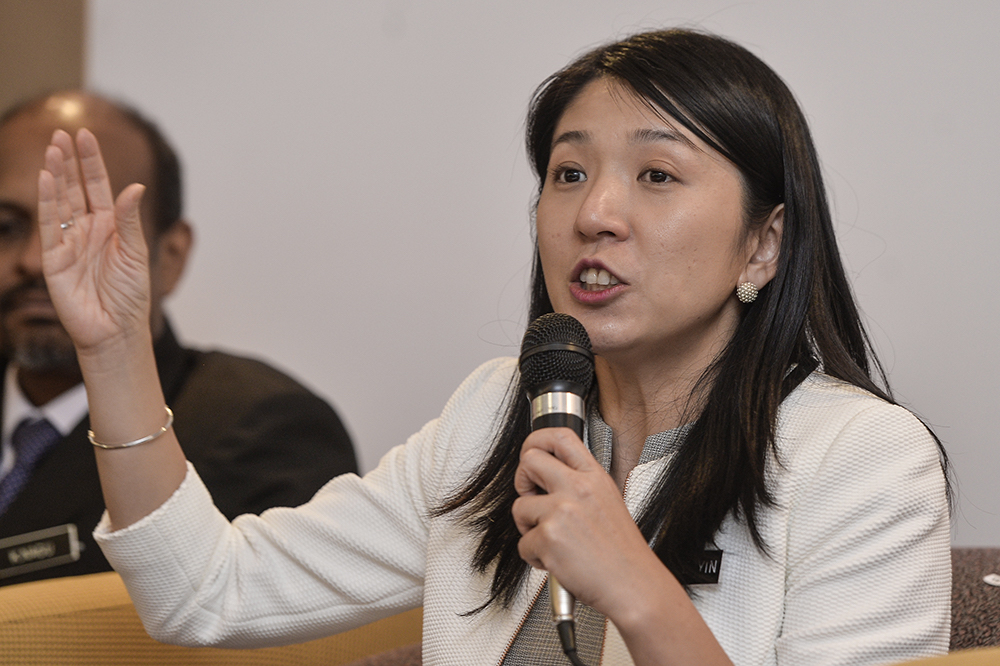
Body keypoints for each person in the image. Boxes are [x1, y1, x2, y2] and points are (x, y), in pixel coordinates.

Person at [34, 29, 949, 666]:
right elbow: (207, 592)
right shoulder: (494, 415)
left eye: (657, 174)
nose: (595, 214)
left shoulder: (860, 462)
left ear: (764, 244)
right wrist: (114, 349)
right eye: (569, 172)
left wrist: (634, 585)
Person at [0, 91, 358, 585]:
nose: (36, 261)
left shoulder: (264, 429)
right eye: (6, 228)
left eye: (80, 231)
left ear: (169, 256)